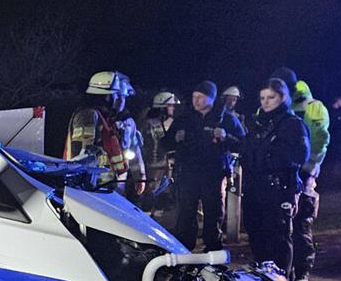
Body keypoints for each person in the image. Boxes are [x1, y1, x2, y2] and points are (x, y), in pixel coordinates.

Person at [162, 80, 245, 251]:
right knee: (185, 212)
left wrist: (226, 136)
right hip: (188, 173)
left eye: (200, 97)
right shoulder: (184, 118)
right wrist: (175, 138)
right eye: (194, 97)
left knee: (213, 211)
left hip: (213, 174)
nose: (196, 101)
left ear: (211, 99)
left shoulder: (226, 118)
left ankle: (213, 248)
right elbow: (165, 144)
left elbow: (243, 144)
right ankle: (183, 249)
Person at [241, 78, 310, 275]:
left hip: (278, 189)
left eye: (271, 97)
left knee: (278, 239)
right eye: (262, 98)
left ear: (283, 97)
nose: (266, 102)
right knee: (256, 235)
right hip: (255, 189)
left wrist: (271, 157)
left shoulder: (292, 124)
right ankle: (263, 279)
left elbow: (300, 155)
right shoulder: (258, 124)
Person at [65, 71, 145, 196]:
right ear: (106, 96)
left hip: (105, 183)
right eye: (116, 95)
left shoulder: (107, 118)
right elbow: (82, 157)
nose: (118, 100)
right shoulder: (88, 115)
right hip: (90, 185)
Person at [290, 80, 330, 281]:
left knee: (301, 224)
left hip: (303, 174)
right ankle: (292, 272)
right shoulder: (312, 107)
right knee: (290, 226)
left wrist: (311, 165)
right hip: (292, 173)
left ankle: (301, 271)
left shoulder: (313, 108)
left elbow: (320, 139)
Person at [140, 91, 179, 219]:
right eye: (170, 105)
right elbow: (146, 146)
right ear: (162, 107)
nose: (173, 108)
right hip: (152, 168)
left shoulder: (164, 123)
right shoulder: (148, 124)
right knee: (149, 197)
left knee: (162, 198)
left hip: (163, 167)